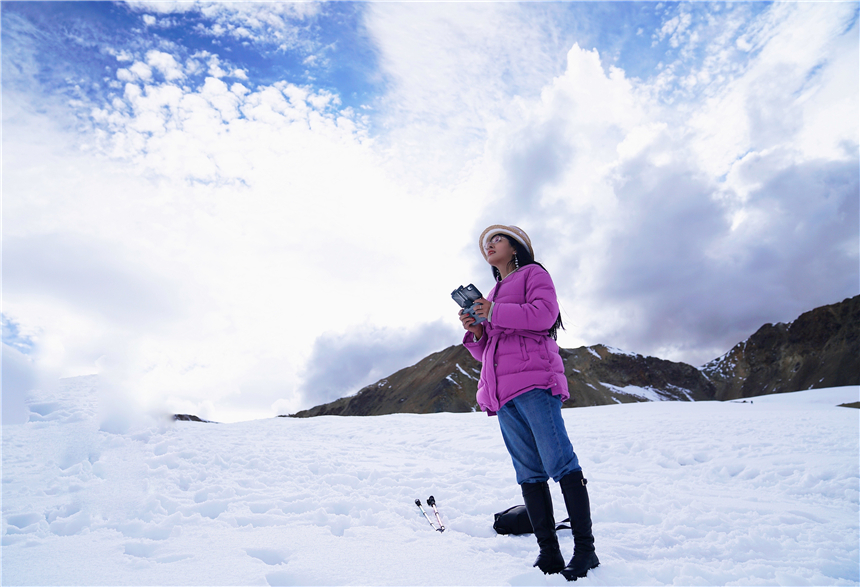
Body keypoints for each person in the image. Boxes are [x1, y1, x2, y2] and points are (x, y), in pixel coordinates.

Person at [458, 224, 599, 581]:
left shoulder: (534, 274)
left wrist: (492, 312)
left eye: (497, 239)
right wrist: (476, 331)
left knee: (560, 463)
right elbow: (488, 349)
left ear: (517, 246)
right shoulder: (491, 292)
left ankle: (586, 551)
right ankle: (549, 552)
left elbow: (542, 316)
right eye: (485, 243)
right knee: (528, 473)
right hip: (502, 395)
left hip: (535, 382)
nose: (489, 245)